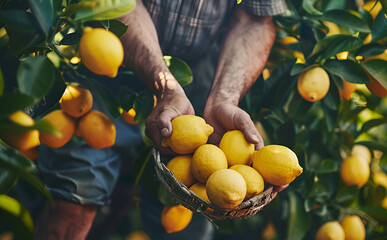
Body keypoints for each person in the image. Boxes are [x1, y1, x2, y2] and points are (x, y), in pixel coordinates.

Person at [34, 0, 287, 239]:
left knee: (193, 213)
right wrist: (166, 87)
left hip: (200, 74)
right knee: (72, 201)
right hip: (107, 56)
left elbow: (257, 18)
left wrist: (225, 98)